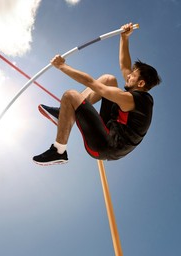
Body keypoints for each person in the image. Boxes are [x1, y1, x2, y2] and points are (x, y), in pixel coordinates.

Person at [33, 23, 161, 165]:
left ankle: (59, 150)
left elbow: (93, 84)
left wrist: (62, 66)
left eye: (133, 75)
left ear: (141, 83)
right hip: (111, 131)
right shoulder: (136, 93)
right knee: (109, 79)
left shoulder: (133, 100)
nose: (128, 75)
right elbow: (124, 67)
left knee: (71, 95)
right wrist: (124, 38)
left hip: (105, 146)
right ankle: (63, 113)